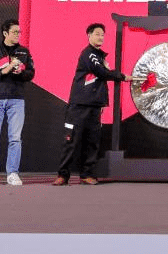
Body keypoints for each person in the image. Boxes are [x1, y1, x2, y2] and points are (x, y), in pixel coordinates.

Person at [56, 22, 139, 185]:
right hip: (79, 105)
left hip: (95, 106)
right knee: (71, 141)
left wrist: (111, 73)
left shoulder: (100, 57)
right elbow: (101, 72)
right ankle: (63, 175)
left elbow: (102, 73)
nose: (101, 37)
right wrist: (122, 76)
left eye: (102, 35)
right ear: (89, 36)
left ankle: (86, 174)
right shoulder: (89, 54)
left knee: (92, 142)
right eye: (97, 34)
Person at [0, 18, 35, 186]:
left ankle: (13, 173)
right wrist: (5, 70)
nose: (18, 34)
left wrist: (20, 73)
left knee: (15, 138)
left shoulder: (24, 52)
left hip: (16, 99)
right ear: (5, 33)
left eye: (19, 32)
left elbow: (31, 73)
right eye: (14, 32)